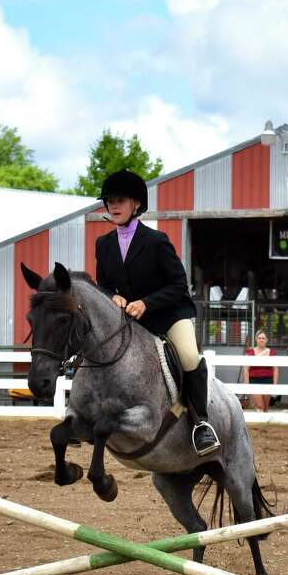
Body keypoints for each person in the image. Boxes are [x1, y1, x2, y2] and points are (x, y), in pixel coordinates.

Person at [93, 169, 220, 456]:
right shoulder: (103, 244)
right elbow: (102, 285)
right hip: (130, 321)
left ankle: (201, 423)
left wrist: (147, 303)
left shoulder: (156, 240)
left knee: (188, 356)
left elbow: (179, 285)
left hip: (167, 315)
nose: (113, 206)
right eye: (109, 201)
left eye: (120, 200)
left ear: (136, 204)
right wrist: (112, 296)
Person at [242, 330, 277, 412]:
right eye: (259, 338)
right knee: (260, 405)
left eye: (263, 338)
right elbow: (246, 369)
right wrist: (247, 384)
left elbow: (275, 369)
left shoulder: (271, 352)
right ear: (256, 339)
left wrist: (275, 384)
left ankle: (264, 424)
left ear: (266, 340)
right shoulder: (250, 352)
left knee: (265, 407)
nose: (261, 340)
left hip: (268, 380)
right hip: (254, 380)